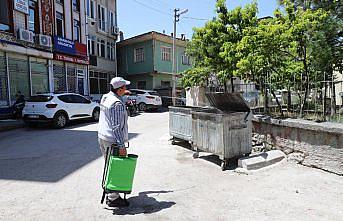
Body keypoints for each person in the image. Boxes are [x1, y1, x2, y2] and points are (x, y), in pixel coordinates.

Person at [98, 77, 130, 208]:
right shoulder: (116, 104)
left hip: (103, 137)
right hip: (113, 140)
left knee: (109, 164)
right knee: (115, 167)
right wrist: (122, 146)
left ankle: (110, 193)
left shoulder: (106, 97)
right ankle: (112, 198)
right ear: (120, 89)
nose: (126, 89)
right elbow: (116, 127)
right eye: (124, 88)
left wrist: (123, 96)